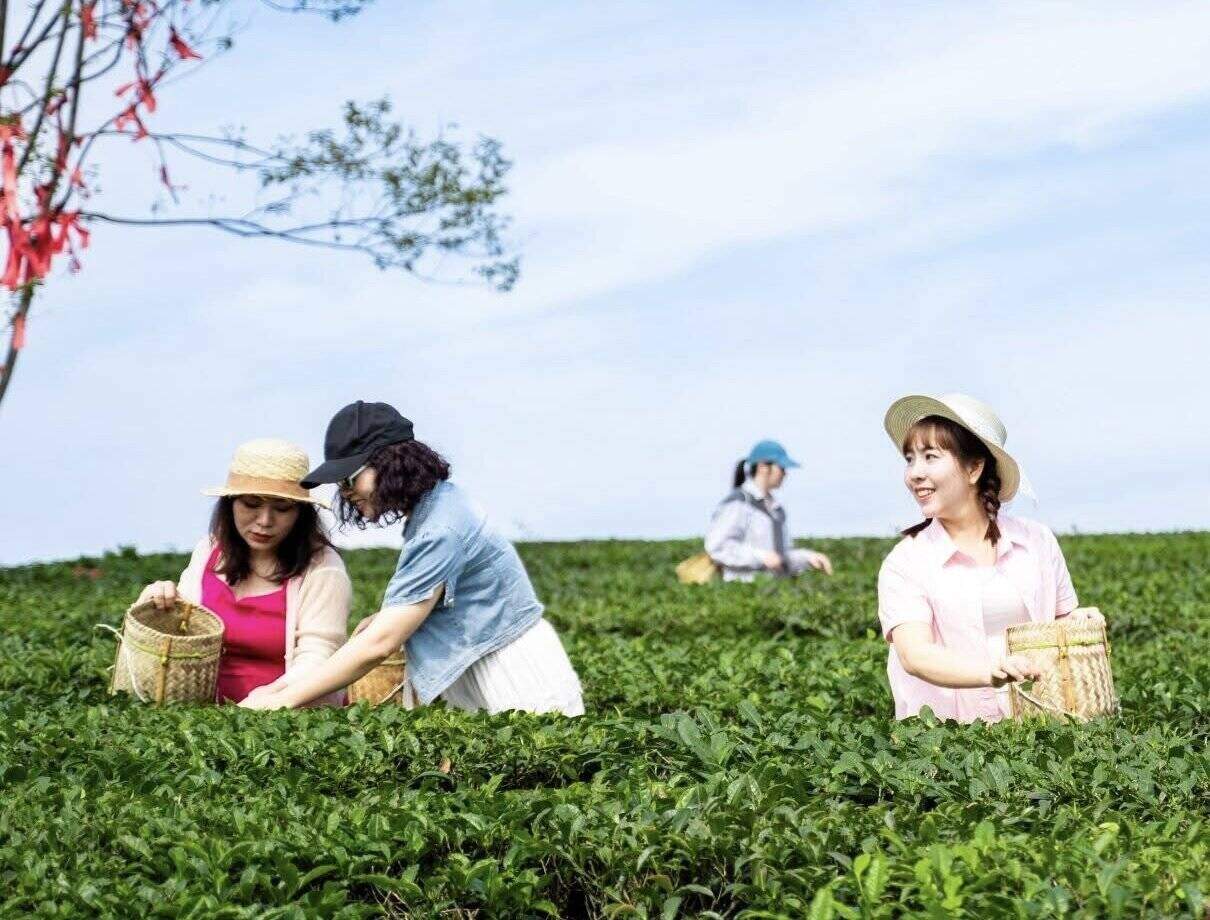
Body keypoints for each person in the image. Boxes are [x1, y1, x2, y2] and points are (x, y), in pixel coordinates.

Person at [239, 401, 584, 716]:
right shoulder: (436, 507)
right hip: (489, 661)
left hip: (515, 673)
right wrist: (386, 617)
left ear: (389, 464)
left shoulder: (440, 529)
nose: (345, 493)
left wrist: (284, 700)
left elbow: (380, 645)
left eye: (349, 479)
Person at [877, 393, 1104, 722]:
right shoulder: (907, 562)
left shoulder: (1036, 541)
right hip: (945, 745)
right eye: (910, 459)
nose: (914, 473)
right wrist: (991, 671)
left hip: (1035, 730)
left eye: (930, 457)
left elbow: (1057, 630)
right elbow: (915, 654)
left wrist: (1080, 622)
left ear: (973, 468)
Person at [135, 439, 351, 705]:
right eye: (251, 504)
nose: (265, 521)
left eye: (282, 508)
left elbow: (318, 658)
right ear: (230, 503)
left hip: (289, 719)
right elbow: (185, 629)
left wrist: (261, 706)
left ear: (300, 513)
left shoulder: (323, 568)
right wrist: (158, 599)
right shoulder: (210, 551)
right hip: (204, 718)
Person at [703, 439, 833, 582]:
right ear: (763, 467)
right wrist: (760, 557)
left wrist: (808, 558)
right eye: (782, 468)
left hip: (775, 590)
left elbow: (781, 556)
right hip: (743, 591)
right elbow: (717, 547)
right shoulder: (739, 503)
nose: (785, 474)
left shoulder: (776, 510)